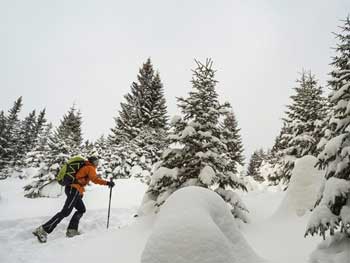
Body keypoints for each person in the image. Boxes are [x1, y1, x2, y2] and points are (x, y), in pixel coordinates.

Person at [32, 156, 115, 243]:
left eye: (98, 161)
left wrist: (80, 193)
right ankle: (43, 230)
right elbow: (95, 179)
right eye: (96, 162)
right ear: (92, 162)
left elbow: (79, 178)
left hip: (73, 190)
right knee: (65, 212)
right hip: (73, 189)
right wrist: (107, 183)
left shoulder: (86, 167)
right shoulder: (90, 167)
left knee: (81, 209)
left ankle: (72, 230)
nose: (97, 163)